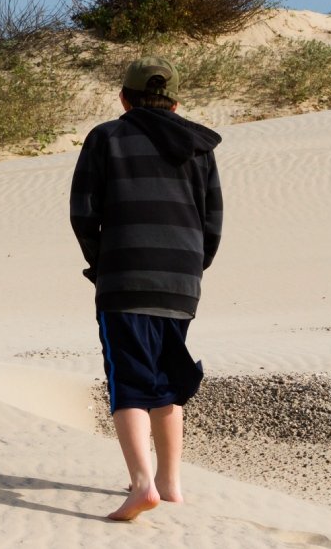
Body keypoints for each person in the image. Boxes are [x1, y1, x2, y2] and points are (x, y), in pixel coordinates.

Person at [69, 56, 224, 521]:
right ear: (175, 103)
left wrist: (104, 262)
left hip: (125, 277)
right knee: (167, 379)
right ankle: (171, 483)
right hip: (181, 281)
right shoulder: (199, 146)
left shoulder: (106, 138)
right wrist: (192, 269)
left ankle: (142, 486)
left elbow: (83, 212)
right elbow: (212, 220)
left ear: (124, 98)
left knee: (131, 381)